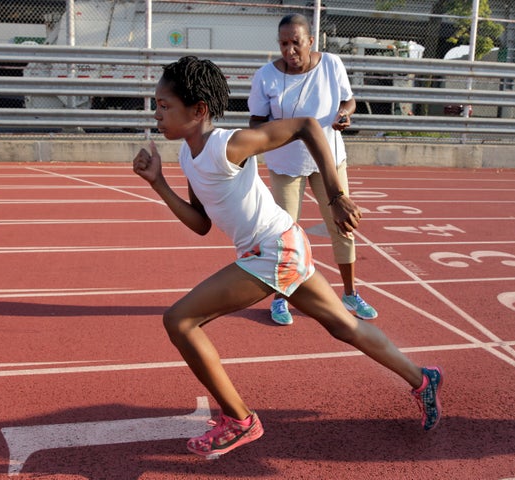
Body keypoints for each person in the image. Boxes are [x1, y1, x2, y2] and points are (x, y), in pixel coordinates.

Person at [132, 55, 443, 459]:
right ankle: (423, 379)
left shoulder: (230, 144)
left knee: (180, 319)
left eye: (163, 105)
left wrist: (335, 196)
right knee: (344, 326)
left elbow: (307, 126)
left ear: (198, 110)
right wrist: (158, 183)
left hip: (273, 249)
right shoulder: (189, 157)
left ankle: (239, 420)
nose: (156, 114)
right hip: (279, 246)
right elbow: (201, 224)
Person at [248, 13, 377, 326]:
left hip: (328, 162)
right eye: (283, 43)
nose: (290, 50)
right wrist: (276, 130)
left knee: (342, 226)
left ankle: (349, 292)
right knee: (284, 233)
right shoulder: (265, 76)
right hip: (285, 164)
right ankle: (281, 297)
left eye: (296, 43)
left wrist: (344, 115)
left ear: (310, 41)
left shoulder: (331, 65)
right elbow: (255, 121)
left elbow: (349, 101)